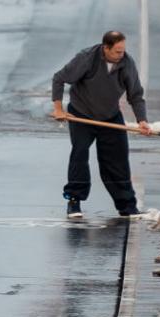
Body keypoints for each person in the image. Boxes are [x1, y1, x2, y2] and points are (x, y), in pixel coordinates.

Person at [51, 29, 152, 219]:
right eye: (117, 51)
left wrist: (142, 121)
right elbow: (59, 78)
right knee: (80, 153)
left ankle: (127, 206)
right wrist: (58, 109)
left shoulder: (126, 63)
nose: (121, 55)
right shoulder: (87, 58)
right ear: (105, 48)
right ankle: (74, 201)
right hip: (82, 114)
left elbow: (136, 95)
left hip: (109, 116)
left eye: (123, 51)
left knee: (117, 160)